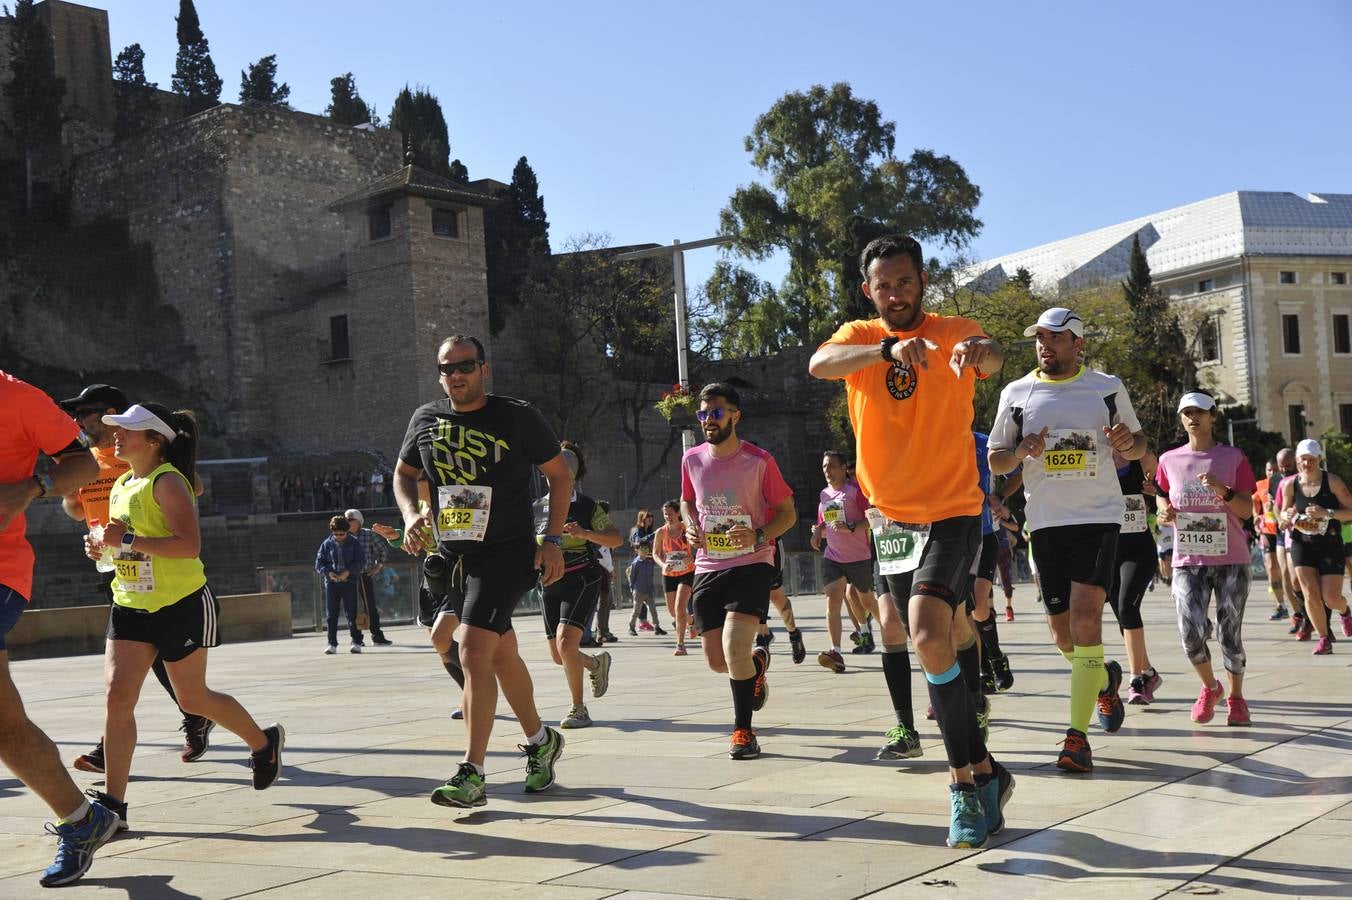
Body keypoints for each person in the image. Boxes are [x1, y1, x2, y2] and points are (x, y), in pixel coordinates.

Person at [808, 234, 1011, 849]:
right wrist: (890, 348)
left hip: (951, 509)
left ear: (922, 281)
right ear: (869, 290)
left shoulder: (953, 329)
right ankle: (987, 772)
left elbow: (992, 356)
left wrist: (981, 350)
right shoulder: (858, 337)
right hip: (891, 520)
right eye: (884, 285)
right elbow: (819, 365)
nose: (895, 293)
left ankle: (963, 790)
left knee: (926, 631)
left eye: (905, 281)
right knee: (929, 640)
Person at [88, 402, 284, 833]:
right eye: (116, 429)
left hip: (181, 604)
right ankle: (113, 804)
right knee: (117, 698)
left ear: (155, 440)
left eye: (128, 430)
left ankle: (263, 742)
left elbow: (187, 546)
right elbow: (126, 545)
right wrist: (104, 548)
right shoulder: (121, 482)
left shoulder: (168, 482)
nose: (116, 435)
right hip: (131, 603)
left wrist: (128, 537)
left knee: (193, 699)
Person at [394, 334, 570, 809]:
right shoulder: (426, 420)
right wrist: (412, 515)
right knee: (499, 655)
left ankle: (472, 773)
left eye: (465, 366)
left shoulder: (517, 416)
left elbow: (560, 474)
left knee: (470, 648)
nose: (456, 375)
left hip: (508, 552)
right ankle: (540, 741)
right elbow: (403, 474)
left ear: (484, 369)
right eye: (447, 369)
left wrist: (551, 540)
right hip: (456, 558)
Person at [990, 306, 1142, 773]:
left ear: (1077, 343)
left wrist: (1126, 445)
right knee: (1062, 634)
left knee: (1085, 619)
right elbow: (995, 460)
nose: (1044, 345)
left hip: (1098, 519)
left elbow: (1141, 447)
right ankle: (1103, 680)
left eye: (1055, 338)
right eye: (1039, 338)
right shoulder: (1017, 392)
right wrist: (1019, 451)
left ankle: (1077, 739)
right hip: (1046, 524)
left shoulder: (1107, 387)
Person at [0, 371, 122, 887]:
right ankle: (83, 820)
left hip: (1, 570)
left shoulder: (20, 398)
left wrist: (29, 488)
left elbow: (80, 462)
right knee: (5, 728)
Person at [56, 384, 213, 774]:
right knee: (132, 666)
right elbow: (75, 509)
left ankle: (192, 714)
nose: (78, 420)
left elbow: (191, 486)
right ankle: (186, 717)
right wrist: (76, 498)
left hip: (156, 567)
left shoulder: (140, 455)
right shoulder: (86, 460)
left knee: (151, 656)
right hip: (115, 565)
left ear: (110, 412)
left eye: (85, 412)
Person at [681, 383, 795, 761]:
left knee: (733, 647)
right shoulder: (691, 460)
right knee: (718, 661)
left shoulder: (760, 461)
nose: (708, 421)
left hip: (752, 561)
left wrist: (759, 533)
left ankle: (743, 731)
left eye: (715, 413)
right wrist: (689, 525)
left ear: (735, 415)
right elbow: (686, 501)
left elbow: (788, 513)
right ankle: (758, 665)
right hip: (708, 565)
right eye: (703, 414)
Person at [1155, 392, 1258, 725]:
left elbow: (1247, 510)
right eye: (1186, 412)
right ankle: (1210, 687)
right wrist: (1162, 512)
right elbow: (1160, 500)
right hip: (1189, 560)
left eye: (1199, 412)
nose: (1192, 418)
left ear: (1214, 416)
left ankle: (1237, 698)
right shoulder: (1168, 460)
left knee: (1229, 634)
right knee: (1189, 632)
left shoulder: (1233, 457)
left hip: (1231, 557)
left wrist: (1224, 492)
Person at [535, 442, 619, 728]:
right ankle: (596, 664)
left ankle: (578, 709)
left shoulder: (586, 506)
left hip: (582, 577)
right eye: (548, 474)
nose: (552, 479)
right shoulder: (536, 507)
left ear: (570, 475)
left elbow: (615, 538)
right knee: (560, 656)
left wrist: (584, 532)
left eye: (558, 473)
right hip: (548, 583)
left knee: (565, 643)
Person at [1279, 438, 1352, 655]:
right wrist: (1286, 515)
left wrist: (1327, 513)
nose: (1306, 464)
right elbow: (1282, 514)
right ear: (1297, 460)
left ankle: (1345, 611)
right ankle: (1323, 637)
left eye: (1311, 460)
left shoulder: (1333, 482)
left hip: (1330, 543)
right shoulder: (1290, 484)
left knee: (1330, 597)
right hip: (1302, 543)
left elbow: (1350, 512)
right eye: (1302, 460)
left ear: (1319, 459)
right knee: (1309, 592)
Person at [810, 451, 880, 673]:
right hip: (834, 557)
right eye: (824, 467)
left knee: (867, 602)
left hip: (859, 557)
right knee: (833, 600)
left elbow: (874, 518)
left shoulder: (854, 492)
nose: (827, 471)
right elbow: (825, 525)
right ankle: (836, 651)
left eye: (831, 466)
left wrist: (850, 527)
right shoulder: (824, 495)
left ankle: (891, 632)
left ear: (843, 468)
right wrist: (816, 532)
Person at [1111, 449, 1163, 705]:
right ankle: (1149, 672)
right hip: (1107, 552)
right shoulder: (1093, 460)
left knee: (1126, 607)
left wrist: (1155, 490)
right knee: (1123, 615)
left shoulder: (1140, 458)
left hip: (1138, 550)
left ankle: (1136, 680)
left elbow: (1164, 484)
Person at [316, 514, 366, 654]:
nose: (339, 536)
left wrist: (348, 572)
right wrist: (328, 572)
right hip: (332, 583)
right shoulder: (327, 544)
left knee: (351, 613)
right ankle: (332, 643)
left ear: (347, 531)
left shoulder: (354, 542)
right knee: (331, 614)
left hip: (349, 581)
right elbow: (319, 563)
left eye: (342, 534)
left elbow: (361, 562)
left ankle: (356, 641)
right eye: (336, 534)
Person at [653, 500, 696, 655]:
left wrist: (692, 559)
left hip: (687, 572)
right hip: (669, 574)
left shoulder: (687, 529)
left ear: (678, 513)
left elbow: (700, 547)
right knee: (673, 612)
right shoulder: (661, 532)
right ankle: (692, 621)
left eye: (670, 513)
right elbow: (656, 554)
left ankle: (680, 644)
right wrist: (663, 564)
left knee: (679, 608)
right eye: (665, 514)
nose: (668, 517)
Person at [345, 509, 392, 646]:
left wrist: (378, 566)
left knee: (370, 606)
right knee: (351, 607)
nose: (346, 522)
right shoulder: (343, 536)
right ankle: (356, 638)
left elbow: (382, 549)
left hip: (364, 575)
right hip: (349, 577)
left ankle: (377, 636)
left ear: (358, 521)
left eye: (350, 520)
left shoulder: (368, 534)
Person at [1253, 460, 1290, 622]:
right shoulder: (1260, 485)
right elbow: (1253, 500)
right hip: (1267, 532)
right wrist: (1256, 517)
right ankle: (1280, 605)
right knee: (1271, 567)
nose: (1271, 473)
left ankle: (1298, 605)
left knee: (1287, 571)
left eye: (1274, 469)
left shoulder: (1288, 484)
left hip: (1284, 531)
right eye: (1269, 470)